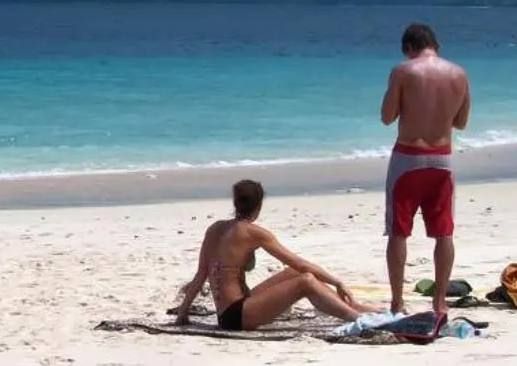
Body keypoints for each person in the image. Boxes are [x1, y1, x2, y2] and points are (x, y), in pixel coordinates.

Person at [171, 179, 376, 330]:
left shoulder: (214, 229)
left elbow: (201, 274)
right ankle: (356, 317)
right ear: (258, 206)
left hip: (228, 313)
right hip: (238, 316)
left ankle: (353, 306)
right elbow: (300, 263)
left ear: (235, 203)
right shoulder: (254, 233)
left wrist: (183, 313)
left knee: (291, 273)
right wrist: (337, 282)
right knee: (305, 280)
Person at [380, 20, 471, 316]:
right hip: (442, 160)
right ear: (436, 45)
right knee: (444, 232)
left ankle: (397, 302)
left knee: (398, 232)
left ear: (408, 48)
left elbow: (387, 116)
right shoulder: (459, 74)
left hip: (408, 158)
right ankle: (440, 301)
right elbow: (461, 122)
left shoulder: (403, 71)